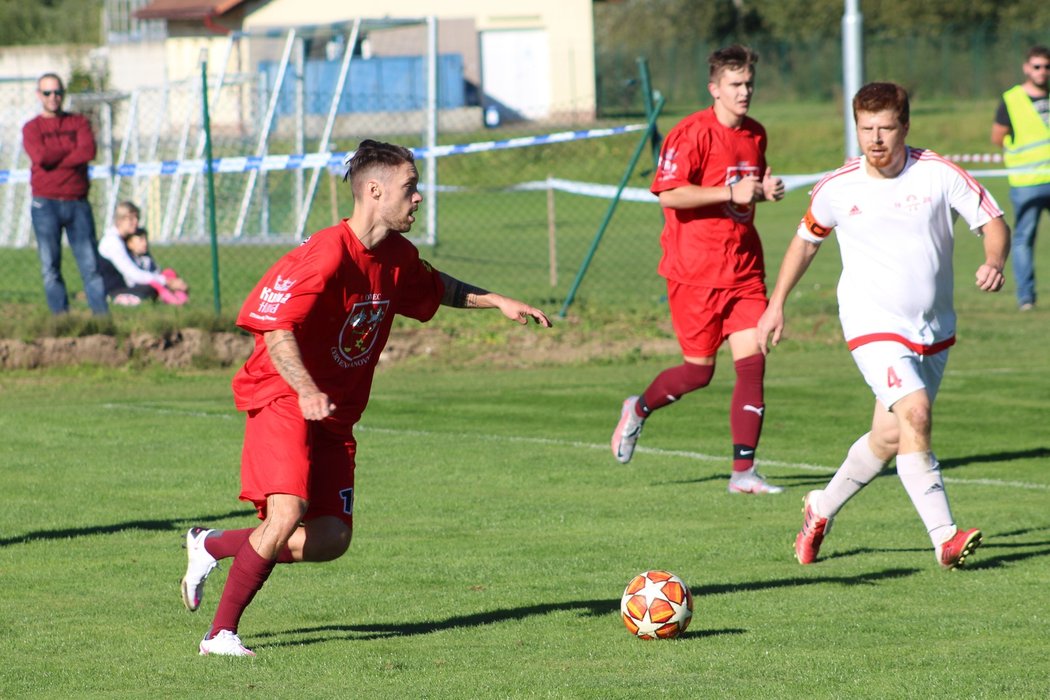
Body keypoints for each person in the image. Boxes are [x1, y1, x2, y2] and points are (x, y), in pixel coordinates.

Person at [179, 139, 552, 657]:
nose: (419, 198)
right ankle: (220, 635)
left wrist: (495, 301)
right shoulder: (327, 252)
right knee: (287, 514)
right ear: (375, 191)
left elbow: (434, 286)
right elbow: (274, 327)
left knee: (331, 539)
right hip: (284, 394)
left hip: (335, 412)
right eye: (410, 187)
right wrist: (306, 388)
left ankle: (210, 544)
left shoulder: (396, 256)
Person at [757, 82, 1010, 570]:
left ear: (905, 126)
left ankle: (820, 508)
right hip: (870, 323)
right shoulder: (838, 186)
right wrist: (777, 304)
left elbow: (992, 221)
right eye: (865, 128)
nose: (875, 139)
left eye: (886, 128)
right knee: (915, 412)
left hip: (933, 329)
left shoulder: (938, 174)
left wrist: (994, 259)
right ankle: (945, 537)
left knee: (889, 438)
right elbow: (806, 242)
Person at [609, 45, 786, 494]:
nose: (744, 92)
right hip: (695, 271)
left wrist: (764, 190)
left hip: (745, 271)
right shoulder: (690, 133)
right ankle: (639, 408)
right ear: (714, 88)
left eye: (749, 83)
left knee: (752, 366)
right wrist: (732, 189)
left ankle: (743, 473)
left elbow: (744, 193)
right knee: (698, 373)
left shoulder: (757, 134)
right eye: (735, 84)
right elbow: (669, 194)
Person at [22, 72, 108, 315]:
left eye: (57, 92)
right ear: (39, 95)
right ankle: (61, 320)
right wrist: (69, 151)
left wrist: (54, 155)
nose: (53, 97)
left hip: (77, 203)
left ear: (63, 94)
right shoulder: (32, 127)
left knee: (90, 265)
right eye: (48, 93)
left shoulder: (78, 122)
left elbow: (88, 151)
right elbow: (40, 157)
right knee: (50, 267)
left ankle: (102, 321)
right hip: (45, 204)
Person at [991, 45, 1050, 312]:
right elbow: (997, 137)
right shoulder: (1012, 99)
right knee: (1024, 239)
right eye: (1037, 66)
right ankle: (1026, 298)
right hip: (1027, 182)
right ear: (1027, 68)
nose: (1042, 72)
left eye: (1046, 66)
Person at [98, 201, 189, 306]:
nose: (136, 222)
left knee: (167, 274)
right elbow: (133, 274)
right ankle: (175, 299)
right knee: (151, 288)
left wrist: (167, 278)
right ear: (120, 220)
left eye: (137, 218)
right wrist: (167, 281)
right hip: (114, 290)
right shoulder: (112, 242)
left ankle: (180, 298)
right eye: (131, 218)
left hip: (130, 285)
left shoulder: (123, 239)